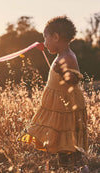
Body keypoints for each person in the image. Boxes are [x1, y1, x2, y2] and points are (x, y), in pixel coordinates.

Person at [17, 16, 89, 172]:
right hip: (58, 107)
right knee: (61, 143)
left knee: (69, 143)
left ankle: (81, 168)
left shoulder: (68, 57)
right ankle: (68, 167)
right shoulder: (61, 56)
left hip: (65, 109)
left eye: (46, 37)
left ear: (56, 37)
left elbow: (74, 79)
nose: (44, 42)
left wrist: (64, 73)